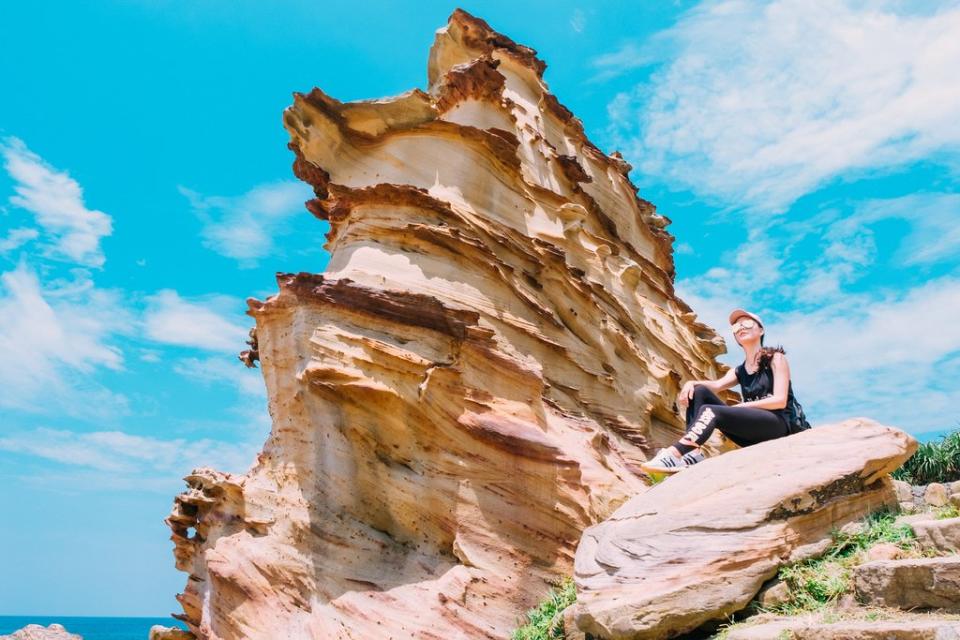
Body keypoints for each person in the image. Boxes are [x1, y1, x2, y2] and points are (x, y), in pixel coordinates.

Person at [641, 308, 802, 473]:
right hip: (751, 432)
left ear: (761, 330)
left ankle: (674, 454)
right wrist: (692, 383)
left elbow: (780, 400)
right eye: (736, 328)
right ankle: (694, 454)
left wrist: (740, 407)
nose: (741, 328)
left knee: (710, 411)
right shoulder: (739, 370)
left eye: (746, 323)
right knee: (699, 391)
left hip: (778, 426)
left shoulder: (775, 358)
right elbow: (716, 386)